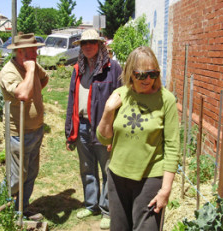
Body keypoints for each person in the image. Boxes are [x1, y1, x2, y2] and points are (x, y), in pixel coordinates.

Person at [97, 46, 180, 231]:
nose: (148, 79)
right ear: (130, 73)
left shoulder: (166, 99)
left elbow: (172, 148)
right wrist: (108, 111)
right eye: (141, 74)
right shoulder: (120, 94)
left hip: (150, 178)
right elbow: (104, 139)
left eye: (152, 73)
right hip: (117, 176)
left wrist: (165, 189)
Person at [65, 29, 122, 230]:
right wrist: (69, 131)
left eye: (92, 42)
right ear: (80, 47)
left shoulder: (112, 69)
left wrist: (116, 133)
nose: (88, 46)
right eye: (84, 43)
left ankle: (107, 210)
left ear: (100, 45)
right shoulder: (77, 69)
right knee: (87, 168)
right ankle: (92, 205)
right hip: (81, 125)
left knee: (108, 170)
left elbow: (121, 102)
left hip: (103, 127)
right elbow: (71, 100)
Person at [0, 32, 49, 220]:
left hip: (36, 129)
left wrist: (35, 84)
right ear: (21, 53)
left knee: (30, 173)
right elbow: (22, 95)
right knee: (16, 178)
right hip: (17, 132)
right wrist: (30, 72)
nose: (36, 54)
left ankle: (21, 209)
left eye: (36, 50)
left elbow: (45, 78)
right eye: (33, 51)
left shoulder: (33, 66)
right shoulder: (9, 72)